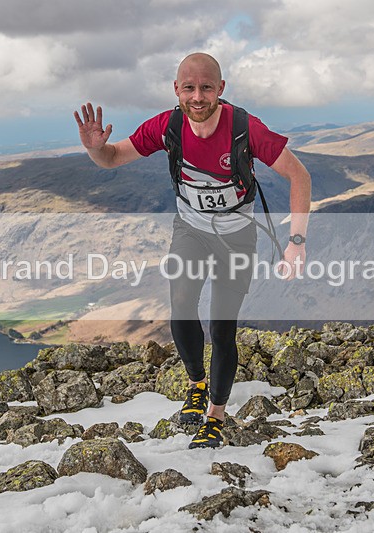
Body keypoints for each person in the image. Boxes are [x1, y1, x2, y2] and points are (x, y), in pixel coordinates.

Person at [75, 52, 311, 449]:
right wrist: (95, 149)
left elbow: (298, 175)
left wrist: (297, 242)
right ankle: (196, 384)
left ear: (221, 89)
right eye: (189, 87)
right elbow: (112, 157)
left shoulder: (244, 128)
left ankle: (215, 416)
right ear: (176, 90)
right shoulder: (166, 126)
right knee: (181, 307)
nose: (197, 96)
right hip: (191, 230)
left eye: (206, 87)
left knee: (222, 326)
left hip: (237, 235)